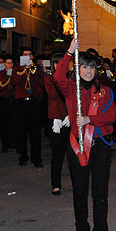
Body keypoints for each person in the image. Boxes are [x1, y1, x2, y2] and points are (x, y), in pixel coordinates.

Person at [54, 39, 116, 231]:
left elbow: (111, 116)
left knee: (100, 192)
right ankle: (81, 227)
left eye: (92, 67)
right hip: (77, 145)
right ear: (77, 69)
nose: (88, 71)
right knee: (80, 190)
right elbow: (58, 76)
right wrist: (70, 52)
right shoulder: (72, 89)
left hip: (100, 146)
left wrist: (90, 119)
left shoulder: (106, 91)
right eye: (84, 66)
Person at [11, 47, 45, 167]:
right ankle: (23, 156)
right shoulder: (17, 68)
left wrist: (33, 72)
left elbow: (41, 83)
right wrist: (23, 71)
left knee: (35, 132)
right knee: (21, 131)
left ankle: (37, 159)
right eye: (25, 55)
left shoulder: (37, 68)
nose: (28, 57)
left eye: (30, 54)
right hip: (21, 102)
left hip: (33, 102)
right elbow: (14, 82)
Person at [44, 53, 70, 195]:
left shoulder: (70, 78)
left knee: (73, 154)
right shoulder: (49, 79)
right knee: (57, 155)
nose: (58, 66)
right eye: (56, 64)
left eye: (62, 64)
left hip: (69, 119)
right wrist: (58, 79)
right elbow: (54, 94)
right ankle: (56, 183)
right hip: (56, 121)